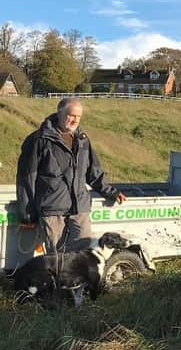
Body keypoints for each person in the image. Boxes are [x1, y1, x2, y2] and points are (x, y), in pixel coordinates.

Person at [16, 97, 126, 254]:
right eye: (71, 115)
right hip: (52, 210)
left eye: (79, 116)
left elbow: (93, 173)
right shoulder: (38, 140)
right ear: (59, 113)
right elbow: (26, 179)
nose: (75, 120)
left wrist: (111, 192)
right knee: (57, 259)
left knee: (82, 258)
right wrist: (27, 215)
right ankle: (57, 280)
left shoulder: (83, 140)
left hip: (79, 209)